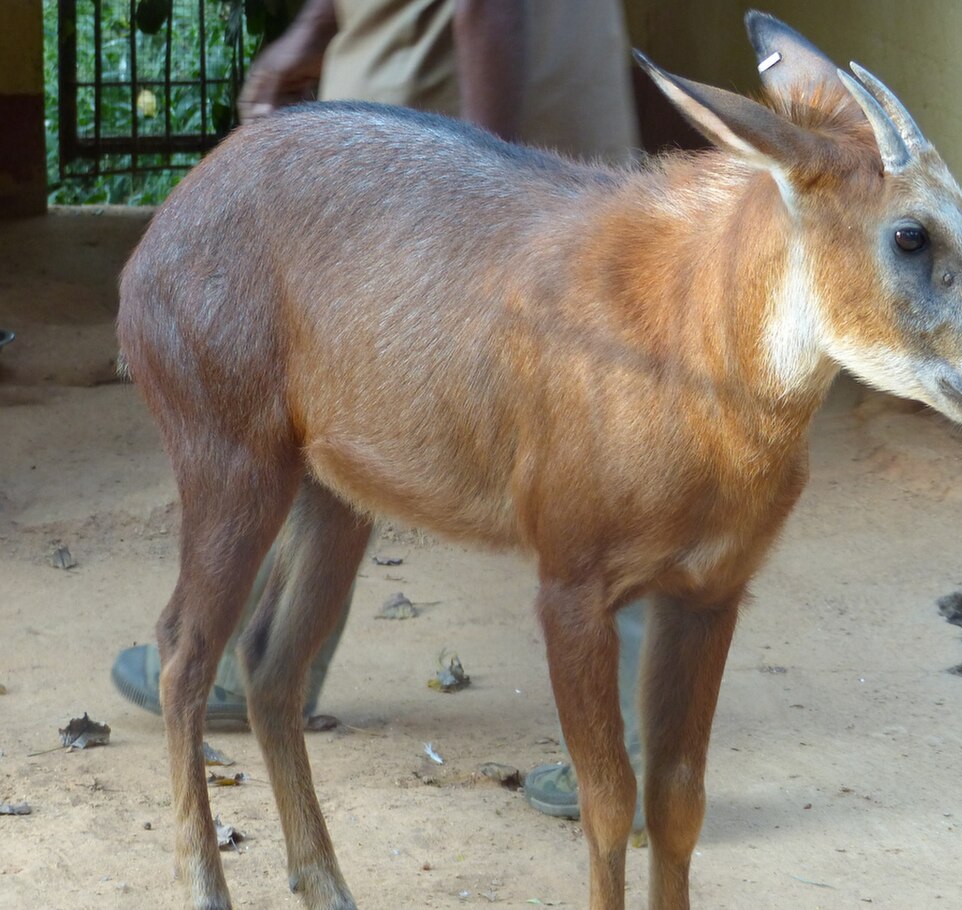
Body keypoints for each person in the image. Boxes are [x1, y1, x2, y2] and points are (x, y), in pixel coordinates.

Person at [112, 0, 644, 827]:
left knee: (624, 455)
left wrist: (489, 202)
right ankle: (271, 660)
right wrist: (314, 31)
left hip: (462, 183)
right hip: (455, 172)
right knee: (346, 421)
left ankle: (634, 752)